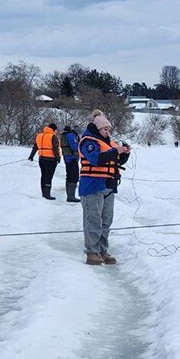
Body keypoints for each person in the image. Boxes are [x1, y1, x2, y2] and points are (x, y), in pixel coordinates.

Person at [78, 109, 131, 265]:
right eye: (105, 129)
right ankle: (92, 252)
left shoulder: (109, 143)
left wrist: (124, 153)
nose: (108, 132)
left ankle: (102, 250)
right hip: (92, 186)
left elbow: (117, 161)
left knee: (106, 221)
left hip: (108, 186)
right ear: (98, 129)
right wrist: (115, 151)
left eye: (109, 129)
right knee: (93, 220)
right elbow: (96, 159)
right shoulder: (88, 142)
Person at [28, 123, 61, 200]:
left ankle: (44, 193)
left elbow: (35, 147)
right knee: (49, 177)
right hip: (51, 160)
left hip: (41, 159)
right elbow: (55, 148)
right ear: (53, 129)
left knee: (43, 176)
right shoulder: (53, 136)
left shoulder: (39, 136)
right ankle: (47, 194)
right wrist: (58, 158)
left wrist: (31, 156)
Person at [61, 125, 81, 203]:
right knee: (74, 177)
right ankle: (71, 196)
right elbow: (75, 147)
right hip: (72, 158)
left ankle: (69, 195)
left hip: (67, 158)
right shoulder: (71, 136)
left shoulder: (65, 135)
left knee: (69, 176)